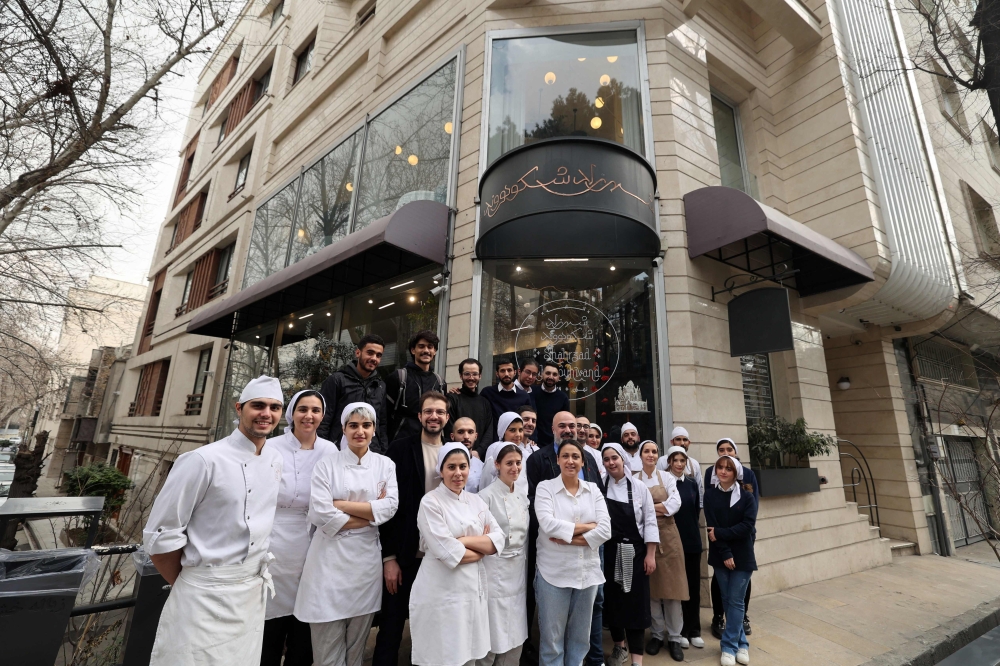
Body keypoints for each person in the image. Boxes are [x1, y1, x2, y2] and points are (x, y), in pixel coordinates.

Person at [143, 376, 285, 666]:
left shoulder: (275, 460)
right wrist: (197, 584)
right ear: (239, 408)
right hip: (202, 597)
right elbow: (161, 537)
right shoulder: (202, 460)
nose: (266, 414)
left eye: (274, 407)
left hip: (250, 595)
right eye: (258, 405)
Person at [295, 403, 399, 666]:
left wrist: (340, 505)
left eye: (366, 425)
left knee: (356, 648)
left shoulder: (385, 464)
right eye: (353, 425)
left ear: (374, 430)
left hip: (365, 566)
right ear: (343, 428)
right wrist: (369, 517)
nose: (360, 431)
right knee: (327, 651)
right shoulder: (326, 465)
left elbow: (390, 507)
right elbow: (319, 513)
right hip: (328, 562)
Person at [373, 391, 450, 666]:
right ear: (419, 416)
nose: (434, 416)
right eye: (428, 411)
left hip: (440, 558)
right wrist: (389, 557)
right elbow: (388, 509)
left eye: (439, 412)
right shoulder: (399, 449)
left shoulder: (453, 453)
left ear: (447, 417)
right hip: (405, 555)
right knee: (391, 627)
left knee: (430, 629)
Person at [410, 442, 504, 666]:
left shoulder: (476, 501)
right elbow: (449, 553)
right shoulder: (430, 502)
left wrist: (463, 541)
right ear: (441, 471)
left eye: (463, 466)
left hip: (472, 592)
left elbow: (498, 540)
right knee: (443, 657)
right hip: (441, 594)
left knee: (469, 657)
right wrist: (482, 548)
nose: (458, 473)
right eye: (451, 467)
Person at [261, 390, 338, 666]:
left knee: (303, 624)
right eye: (303, 409)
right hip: (273, 542)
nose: (309, 416)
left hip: (312, 542)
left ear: (322, 415)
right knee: (269, 625)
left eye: (315, 410)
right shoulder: (271, 447)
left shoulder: (330, 450)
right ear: (292, 413)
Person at [526, 412, 605, 666]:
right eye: (566, 456)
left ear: (584, 462)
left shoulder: (593, 489)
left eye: (576, 457)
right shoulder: (545, 487)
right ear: (557, 459)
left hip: (587, 573)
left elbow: (606, 530)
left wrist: (570, 536)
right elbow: (547, 524)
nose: (571, 461)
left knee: (580, 641)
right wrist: (588, 529)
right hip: (554, 573)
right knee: (552, 643)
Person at [600, 443, 658, 666]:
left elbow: (651, 521)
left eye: (614, 457)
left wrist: (650, 555)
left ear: (623, 459)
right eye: (606, 459)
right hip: (609, 552)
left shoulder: (640, 488)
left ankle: (637, 660)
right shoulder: (600, 487)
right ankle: (618, 648)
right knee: (613, 604)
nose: (611, 462)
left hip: (635, 553)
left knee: (636, 606)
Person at [477, 444, 531, 666]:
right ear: (497, 465)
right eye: (509, 463)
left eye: (518, 463)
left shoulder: (522, 495)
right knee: (492, 630)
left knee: (515, 630)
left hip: (518, 571)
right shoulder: (484, 497)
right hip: (494, 571)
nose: (515, 467)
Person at [635, 441, 687, 662]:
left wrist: (648, 506)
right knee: (653, 592)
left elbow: (674, 504)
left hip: (669, 537)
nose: (650, 455)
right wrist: (658, 506)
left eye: (654, 451)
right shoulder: (634, 479)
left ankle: (674, 637)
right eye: (646, 451)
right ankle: (656, 635)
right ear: (640, 455)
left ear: (658, 456)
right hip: (645, 538)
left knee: (673, 592)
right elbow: (633, 507)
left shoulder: (667, 478)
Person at [704, 456, 757, 666]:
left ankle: (728, 646)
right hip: (720, 555)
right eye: (720, 467)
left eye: (728, 468)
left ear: (736, 473)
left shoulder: (746, 496)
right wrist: (725, 554)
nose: (723, 471)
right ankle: (741, 643)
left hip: (743, 555)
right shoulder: (709, 495)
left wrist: (721, 533)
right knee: (727, 601)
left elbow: (747, 527)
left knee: (736, 601)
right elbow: (711, 528)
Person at [662, 446, 705, 649]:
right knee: (677, 587)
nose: (679, 464)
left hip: (691, 540)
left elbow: (696, 510)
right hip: (671, 542)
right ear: (669, 462)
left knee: (693, 586)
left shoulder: (691, 483)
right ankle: (680, 632)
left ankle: (693, 629)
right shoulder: (664, 483)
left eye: (682, 460)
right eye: (675, 460)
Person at [317, 334, 388, 452]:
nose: (374, 358)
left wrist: (383, 450)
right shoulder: (336, 380)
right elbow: (324, 419)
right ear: (358, 353)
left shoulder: (380, 386)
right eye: (370, 353)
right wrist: (323, 449)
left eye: (378, 355)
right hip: (339, 450)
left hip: (371, 452)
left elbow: (382, 423)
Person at [385, 330, 446, 441]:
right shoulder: (398, 377)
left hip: (430, 442)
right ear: (413, 350)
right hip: (400, 444)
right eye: (421, 346)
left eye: (430, 347)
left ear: (435, 351)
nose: (426, 350)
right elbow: (384, 416)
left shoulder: (440, 383)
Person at [448, 358, 494, 457]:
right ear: (461, 376)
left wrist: (478, 452)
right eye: (467, 374)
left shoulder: (485, 402)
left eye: (475, 374)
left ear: (480, 376)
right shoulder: (453, 399)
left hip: (479, 457)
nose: (471, 377)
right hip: (456, 456)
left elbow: (489, 432)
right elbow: (449, 429)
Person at [481, 411, 534, 493]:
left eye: (520, 430)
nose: (518, 434)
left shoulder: (524, 452)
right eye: (512, 430)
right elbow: (486, 483)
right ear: (503, 431)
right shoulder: (495, 449)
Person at [656, 427, 704, 508]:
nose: (682, 443)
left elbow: (699, 487)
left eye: (685, 440)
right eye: (678, 439)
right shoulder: (662, 461)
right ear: (672, 442)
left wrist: (700, 507)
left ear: (689, 442)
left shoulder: (694, 464)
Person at [481, 359, 531, 424]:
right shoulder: (487, 393)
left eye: (509, 370)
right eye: (502, 371)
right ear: (497, 373)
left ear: (515, 372)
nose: (506, 374)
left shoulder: (524, 396)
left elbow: (528, 419)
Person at [532, 361, 569, 445]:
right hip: (533, 442)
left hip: (554, 443)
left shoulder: (563, 397)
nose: (551, 377)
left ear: (558, 377)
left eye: (554, 374)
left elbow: (564, 422)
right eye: (548, 373)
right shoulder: (532, 392)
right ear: (542, 374)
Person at [454, 416, 485, 492]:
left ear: (476, 436)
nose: (466, 437)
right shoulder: (444, 464)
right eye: (461, 432)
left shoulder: (482, 467)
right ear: (452, 436)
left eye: (470, 432)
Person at [576, 416, 603, 480]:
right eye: (578, 426)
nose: (582, 430)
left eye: (586, 427)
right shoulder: (564, 450)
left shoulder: (598, 455)